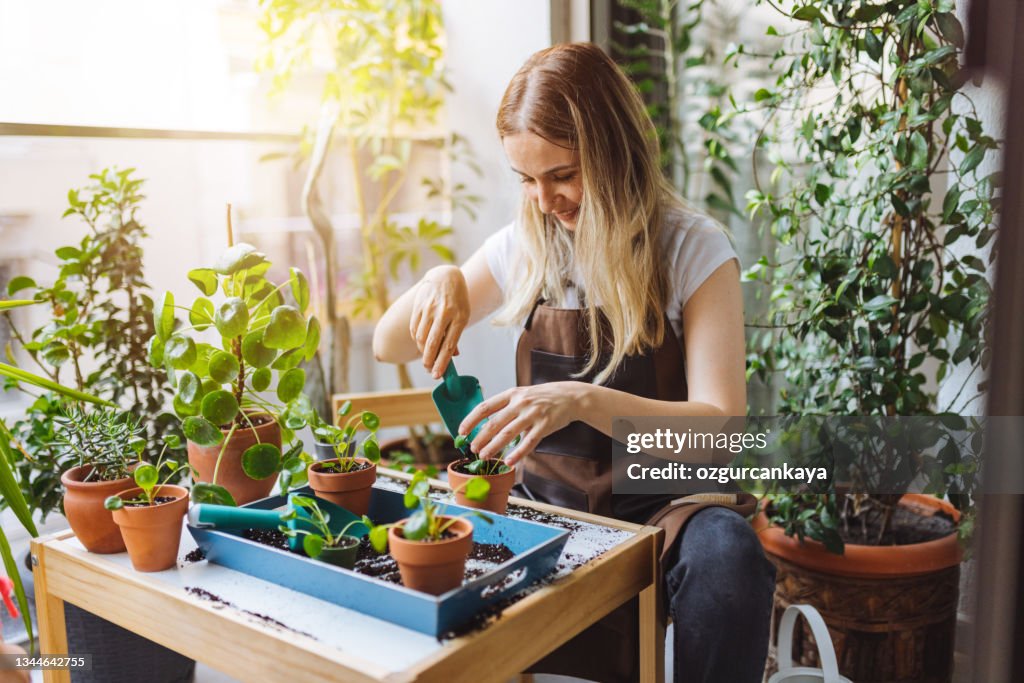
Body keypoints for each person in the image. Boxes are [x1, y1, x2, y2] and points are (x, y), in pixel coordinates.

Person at [373, 42, 775, 683]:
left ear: (615, 152)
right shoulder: (526, 247)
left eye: (562, 175)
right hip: (546, 501)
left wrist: (582, 399)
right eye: (527, 179)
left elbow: (717, 432)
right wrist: (440, 279)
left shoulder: (693, 249)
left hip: (666, 506)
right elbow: (387, 344)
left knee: (730, 560)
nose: (544, 200)